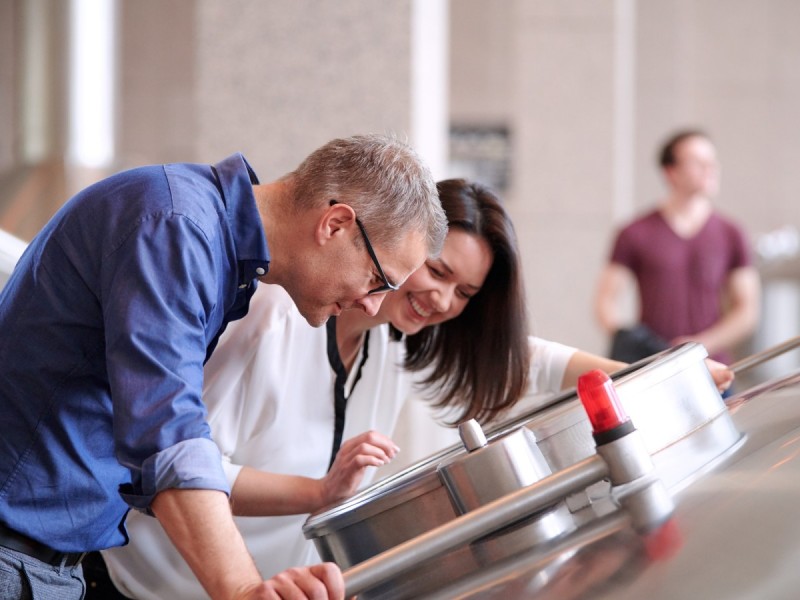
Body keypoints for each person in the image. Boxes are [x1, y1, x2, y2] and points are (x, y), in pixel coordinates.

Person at [104, 179, 720, 598]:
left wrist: (678, 374)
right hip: (149, 587)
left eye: (467, 295)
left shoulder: (386, 344)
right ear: (402, 243)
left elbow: (530, 359)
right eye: (438, 270)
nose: (443, 301)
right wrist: (316, 492)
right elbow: (182, 469)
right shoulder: (273, 316)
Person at [0, 133, 447, 600]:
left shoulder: (216, 248)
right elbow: (167, 431)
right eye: (377, 280)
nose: (372, 307)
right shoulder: (176, 227)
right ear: (335, 223)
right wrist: (241, 588)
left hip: (49, 561)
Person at [594, 129, 760, 366]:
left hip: (711, 368)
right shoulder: (634, 232)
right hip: (653, 368)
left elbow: (747, 310)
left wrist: (701, 343)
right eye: (697, 162)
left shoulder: (731, 233)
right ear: (670, 172)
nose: (709, 168)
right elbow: (604, 302)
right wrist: (637, 343)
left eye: (712, 161)